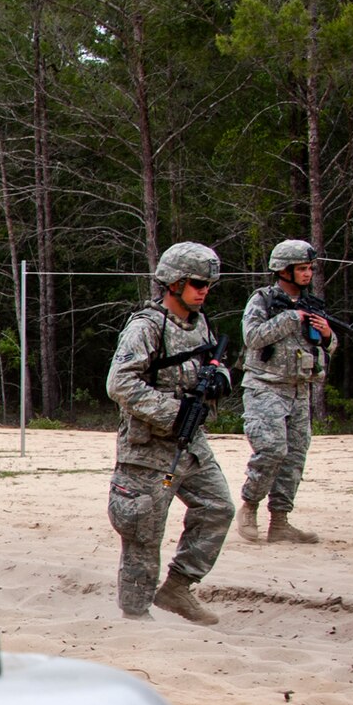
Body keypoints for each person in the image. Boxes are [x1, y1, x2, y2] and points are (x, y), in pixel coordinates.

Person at [104, 242, 236, 625]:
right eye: (196, 283)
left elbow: (217, 362)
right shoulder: (146, 328)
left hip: (191, 443)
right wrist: (173, 412)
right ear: (173, 283)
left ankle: (178, 587)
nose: (204, 291)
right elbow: (120, 384)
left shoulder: (200, 323)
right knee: (143, 528)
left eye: (208, 284)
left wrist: (219, 381)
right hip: (148, 448)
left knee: (217, 508)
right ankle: (135, 613)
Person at [238, 240, 335, 544]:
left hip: (300, 389)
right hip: (266, 386)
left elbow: (328, 346)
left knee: (294, 456)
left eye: (310, 268)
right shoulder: (263, 301)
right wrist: (291, 318)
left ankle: (280, 521)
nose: (308, 274)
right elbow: (252, 337)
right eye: (302, 268)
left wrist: (329, 335)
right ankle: (249, 506)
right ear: (284, 270)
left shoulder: (312, 303)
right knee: (271, 449)